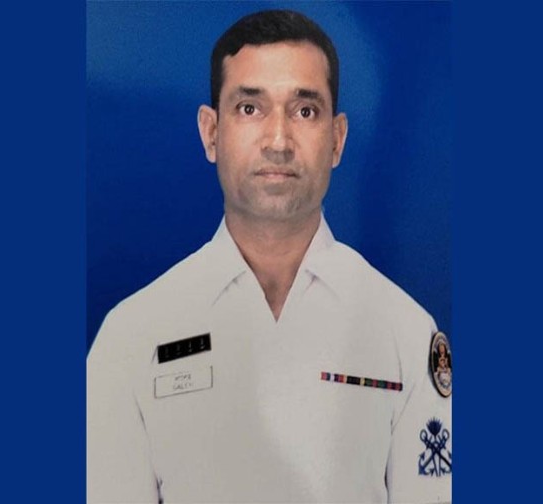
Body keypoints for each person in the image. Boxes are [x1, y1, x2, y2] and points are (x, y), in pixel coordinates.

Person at [87, 9, 451, 503]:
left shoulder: (406, 334)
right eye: (249, 108)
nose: (278, 141)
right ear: (211, 132)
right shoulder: (131, 337)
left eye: (305, 111)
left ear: (337, 139)